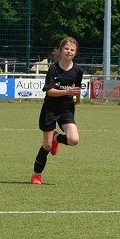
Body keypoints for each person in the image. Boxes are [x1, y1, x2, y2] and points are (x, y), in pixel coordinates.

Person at [31, 36, 83, 185]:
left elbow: (77, 89)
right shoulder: (53, 69)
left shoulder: (78, 70)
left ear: (75, 52)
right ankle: (36, 175)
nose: (69, 52)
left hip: (66, 109)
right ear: (61, 50)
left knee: (74, 140)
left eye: (72, 50)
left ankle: (56, 138)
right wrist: (67, 92)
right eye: (66, 48)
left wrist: (77, 100)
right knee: (46, 146)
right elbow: (50, 92)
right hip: (50, 109)